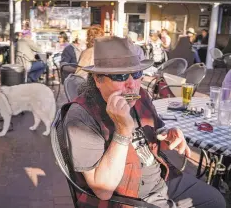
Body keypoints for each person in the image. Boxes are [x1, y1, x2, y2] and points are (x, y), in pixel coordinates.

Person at [62, 36, 226, 208]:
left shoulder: (140, 96)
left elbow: (155, 139)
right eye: (121, 76)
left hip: (162, 178)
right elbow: (103, 190)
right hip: (127, 197)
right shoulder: (80, 117)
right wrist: (122, 131)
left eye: (137, 73)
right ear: (98, 79)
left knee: (216, 200)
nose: (132, 84)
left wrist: (168, 137)